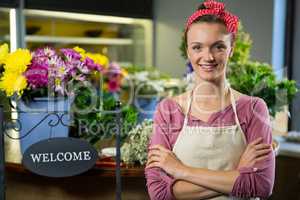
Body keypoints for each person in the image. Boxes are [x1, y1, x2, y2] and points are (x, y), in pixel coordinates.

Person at [144, 0, 275, 199]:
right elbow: (159, 194)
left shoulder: (254, 108)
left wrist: (180, 171)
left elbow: (260, 186)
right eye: (197, 47)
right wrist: (237, 173)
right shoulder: (169, 110)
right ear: (188, 51)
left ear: (231, 49)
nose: (208, 57)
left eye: (218, 47)